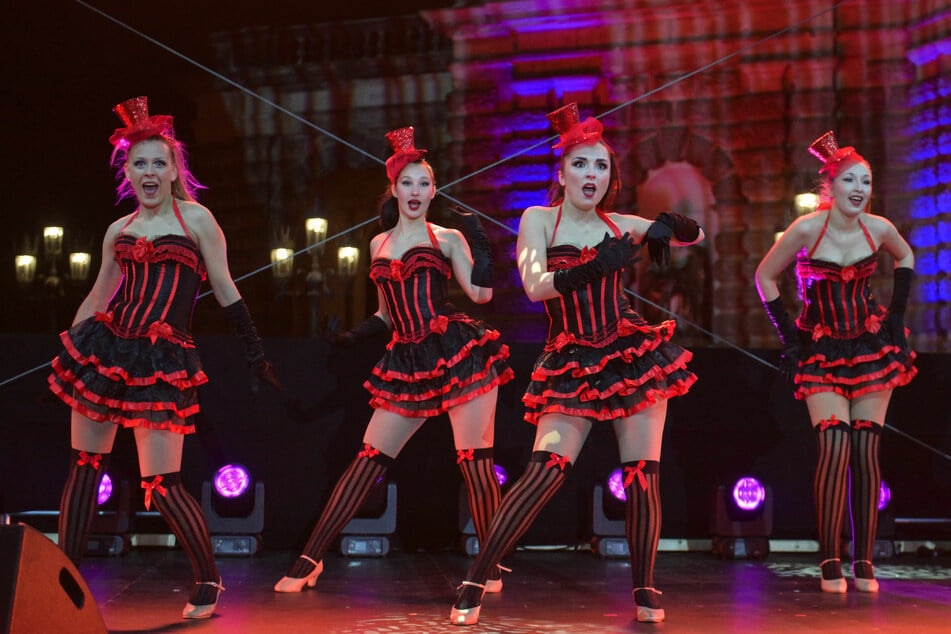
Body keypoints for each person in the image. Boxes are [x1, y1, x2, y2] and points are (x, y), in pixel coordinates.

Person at [450, 103, 703, 626]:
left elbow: (691, 238)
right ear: (561, 173)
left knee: (644, 475)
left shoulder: (619, 222)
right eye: (582, 165)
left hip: (629, 353)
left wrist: (674, 224)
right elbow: (534, 284)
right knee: (544, 470)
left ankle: (646, 588)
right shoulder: (538, 219)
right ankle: (477, 575)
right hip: (571, 356)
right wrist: (595, 267)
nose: (593, 175)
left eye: (602, 166)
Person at [48, 96, 280, 619]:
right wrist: (73, 345)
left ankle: (208, 578)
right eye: (140, 163)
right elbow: (98, 296)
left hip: (162, 358)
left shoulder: (196, 219)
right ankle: (63, 580)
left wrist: (255, 352)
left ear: (175, 170)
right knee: (84, 467)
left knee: (162, 482)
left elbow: (224, 288)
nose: (149, 171)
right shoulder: (119, 230)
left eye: (159, 162)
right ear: (126, 170)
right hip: (107, 351)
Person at [274, 127, 514, 593]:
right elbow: (386, 312)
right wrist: (353, 335)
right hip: (405, 358)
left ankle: (492, 563)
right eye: (408, 183)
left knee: (474, 461)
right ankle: (310, 558)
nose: (416, 192)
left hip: (457, 350)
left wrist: (479, 241)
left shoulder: (444, 237)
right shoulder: (378, 244)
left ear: (433, 189)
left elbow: (481, 294)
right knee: (367, 460)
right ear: (394, 188)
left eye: (424, 184)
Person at [755, 131, 916, 593]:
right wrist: (789, 337)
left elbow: (905, 256)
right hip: (821, 350)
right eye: (850, 179)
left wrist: (897, 317)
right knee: (834, 446)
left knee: (866, 451)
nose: (860, 188)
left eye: (866, 180)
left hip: (870, 346)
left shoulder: (879, 228)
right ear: (831, 185)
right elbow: (764, 275)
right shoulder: (808, 228)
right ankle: (830, 558)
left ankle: (862, 560)